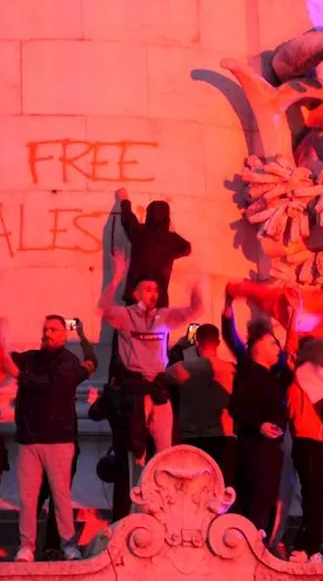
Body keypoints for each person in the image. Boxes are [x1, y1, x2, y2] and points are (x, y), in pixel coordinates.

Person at [99, 249, 203, 470]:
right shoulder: (125, 316)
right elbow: (104, 309)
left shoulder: (164, 316)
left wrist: (197, 288)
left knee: (165, 449)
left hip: (158, 387)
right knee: (135, 451)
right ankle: (136, 499)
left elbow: (196, 311)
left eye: (156, 289)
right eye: (148, 289)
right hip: (135, 391)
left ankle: (161, 497)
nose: (153, 294)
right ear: (136, 294)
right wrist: (117, 277)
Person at [3, 314, 96, 562]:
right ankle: (27, 546)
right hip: (29, 440)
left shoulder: (68, 362)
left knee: (60, 496)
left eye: (54, 329)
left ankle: (68, 544)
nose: (47, 333)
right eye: (45, 329)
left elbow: (48, 384)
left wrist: (84, 337)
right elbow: (4, 357)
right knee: (28, 497)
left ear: (64, 335)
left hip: (58, 439)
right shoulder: (31, 358)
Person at [224, 287, 297, 536]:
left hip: (272, 451)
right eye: (272, 342)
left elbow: (291, 351)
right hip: (253, 448)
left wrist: (295, 314)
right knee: (252, 502)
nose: (277, 347)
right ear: (256, 345)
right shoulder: (247, 370)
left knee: (267, 500)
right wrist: (259, 426)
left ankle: (259, 544)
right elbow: (237, 409)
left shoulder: (275, 377)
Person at [163, 324, 237, 487]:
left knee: (195, 488)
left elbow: (161, 373)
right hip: (224, 436)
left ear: (197, 343)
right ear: (218, 343)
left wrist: (179, 347)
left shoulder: (182, 369)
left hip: (193, 436)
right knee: (222, 486)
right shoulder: (231, 370)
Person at [114, 189, 192, 308]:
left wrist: (124, 199)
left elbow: (128, 220)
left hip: (135, 299)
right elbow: (187, 248)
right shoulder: (171, 240)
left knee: (132, 325)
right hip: (159, 303)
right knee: (158, 326)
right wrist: (173, 233)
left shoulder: (139, 233)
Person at [287, 376, 323, 563]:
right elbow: (292, 411)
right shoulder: (298, 381)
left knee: (320, 497)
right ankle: (309, 549)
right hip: (306, 439)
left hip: (321, 442)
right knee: (314, 496)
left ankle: (303, 545)